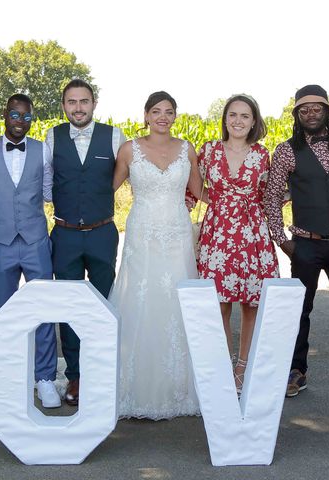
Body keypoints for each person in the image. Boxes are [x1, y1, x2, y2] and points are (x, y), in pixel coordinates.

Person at [263, 84, 329, 398]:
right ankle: (297, 371)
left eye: (316, 108)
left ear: (326, 111)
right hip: (304, 244)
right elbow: (271, 198)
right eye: (304, 109)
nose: (311, 114)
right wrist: (282, 241)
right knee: (300, 309)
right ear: (297, 115)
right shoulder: (285, 150)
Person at [110, 91, 204, 420]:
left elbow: (200, 190)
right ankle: (132, 387)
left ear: (175, 115)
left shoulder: (186, 149)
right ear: (146, 115)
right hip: (142, 233)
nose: (162, 116)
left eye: (169, 111)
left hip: (178, 233)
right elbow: (108, 189)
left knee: (177, 300)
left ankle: (178, 387)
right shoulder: (129, 149)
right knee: (140, 297)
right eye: (156, 111)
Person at [0, 94, 60, 408]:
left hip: (37, 241)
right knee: (6, 314)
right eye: (15, 115)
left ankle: (46, 379)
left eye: (26, 117)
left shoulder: (42, 150)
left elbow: (50, 192)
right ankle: (10, 378)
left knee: (44, 311)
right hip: (1, 242)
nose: (20, 122)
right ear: (4, 115)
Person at [44, 79, 126, 406]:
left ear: (94, 104)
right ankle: (75, 377)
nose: (78, 107)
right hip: (64, 235)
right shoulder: (52, 137)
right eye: (71, 102)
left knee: (104, 304)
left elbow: (137, 173)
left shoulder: (115, 137)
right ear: (64, 105)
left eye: (84, 101)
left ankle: (102, 373)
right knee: (70, 308)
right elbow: (45, 183)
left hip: (103, 232)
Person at [196, 94, 279, 396]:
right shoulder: (208, 151)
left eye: (245, 116)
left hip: (252, 234)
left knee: (250, 302)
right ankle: (222, 366)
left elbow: (270, 194)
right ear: (225, 119)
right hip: (217, 234)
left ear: (254, 121)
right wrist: (219, 203)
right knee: (218, 303)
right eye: (233, 115)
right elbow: (193, 188)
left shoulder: (262, 154)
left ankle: (243, 366)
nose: (238, 121)